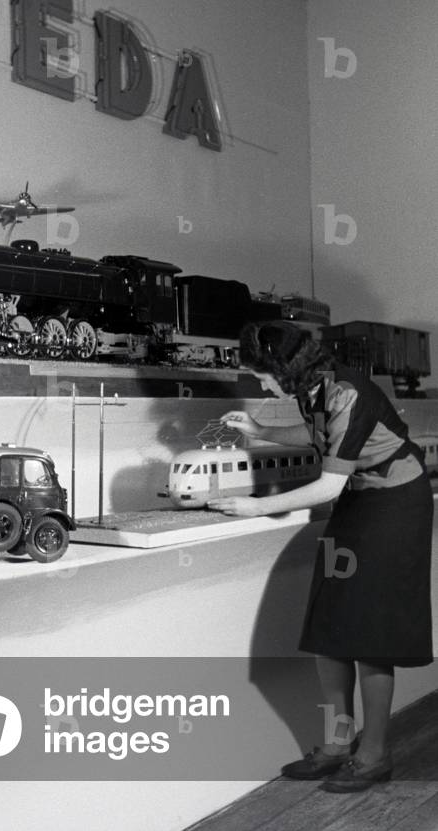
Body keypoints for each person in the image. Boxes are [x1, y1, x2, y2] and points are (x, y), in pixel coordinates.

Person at [206, 320, 434, 793]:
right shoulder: (315, 388)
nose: (261, 383)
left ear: (284, 367)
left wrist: (255, 506)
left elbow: (328, 483)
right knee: (329, 626)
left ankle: (374, 754)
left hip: (397, 505)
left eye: (263, 374)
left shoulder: (348, 393)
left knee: (371, 635)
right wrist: (261, 429)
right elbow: (318, 437)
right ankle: (336, 745)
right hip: (360, 500)